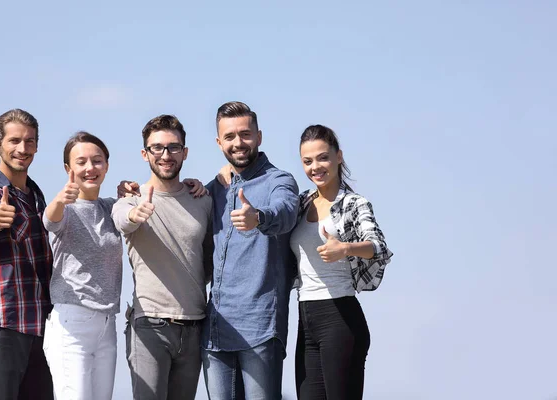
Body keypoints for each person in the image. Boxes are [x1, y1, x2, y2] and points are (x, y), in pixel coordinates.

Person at [202, 101, 300, 399]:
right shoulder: (212, 189)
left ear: (259, 136)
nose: (238, 143)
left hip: (260, 327)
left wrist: (258, 217)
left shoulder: (279, 181)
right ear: (219, 142)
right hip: (215, 331)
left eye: (245, 134)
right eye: (229, 137)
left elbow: (285, 211)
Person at [112, 115, 213, 400]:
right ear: (145, 154)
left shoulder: (202, 200)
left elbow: (206, 260)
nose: (165, 155)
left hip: (194, 326)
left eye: (173, 147)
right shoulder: (130, 198)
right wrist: (135, 214)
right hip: (150, 326)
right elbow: (121, 220)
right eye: (157, 148)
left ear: (185, 152)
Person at [291, 124, 393, 399]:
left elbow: (379, 247)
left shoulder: (354, 203)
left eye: (323, 157)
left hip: (340, 318)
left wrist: (345, 248)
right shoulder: (301, 203)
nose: (316, 167)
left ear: (338, 156)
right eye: (307, 161)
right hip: (306, 316)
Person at [0, 109, 54, 400]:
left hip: (40, 326)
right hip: (4, 321)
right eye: (14, 141)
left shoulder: (35, 196)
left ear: (37, 146)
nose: (22, 149)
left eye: (29, 142)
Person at [42, 132, 122, 399]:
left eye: (97, 161)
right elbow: (50, 220)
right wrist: (59, 200)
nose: (90, 168)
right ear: (68, 169)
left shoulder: (112, 208)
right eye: (81, 162)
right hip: (71, 325)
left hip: (107, 324)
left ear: (107, 165)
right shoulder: (65, 208)